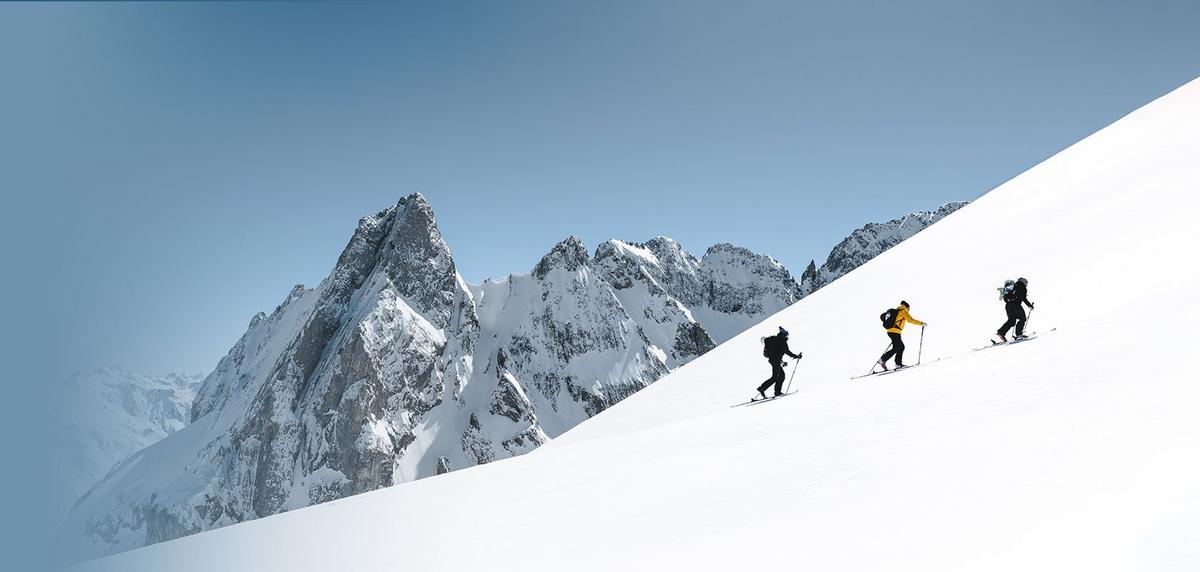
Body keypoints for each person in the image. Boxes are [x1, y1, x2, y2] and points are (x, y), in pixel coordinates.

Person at [878, 301, 925, 371]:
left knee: (899, 347)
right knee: (898, 347)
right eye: (909, 308)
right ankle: (889, 361)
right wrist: (921, 323)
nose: (909, 310)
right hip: (894, 332)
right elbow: (910, 320)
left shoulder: (897, 311)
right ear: (907, 307)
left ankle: (894, 362)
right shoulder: (903, 312)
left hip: (892, 332)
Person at [757, 326, 801, 399]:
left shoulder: (775, 340)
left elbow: (776, 352)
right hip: (776, 361)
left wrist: (781, 361)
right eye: (786, 335)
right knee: (775, 377)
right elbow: (787, 352)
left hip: (774, 360)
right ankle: (763, 388)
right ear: (783, 335)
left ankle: (776, 391)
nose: (787, 337)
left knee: (781, 376)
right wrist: (796, 356)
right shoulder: (782, 341)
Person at [997, 277, 1034, 342]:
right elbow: (1023, 298)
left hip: (1008, 306)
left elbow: (1006, 298)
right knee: (1022, 318)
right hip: (1016, 305)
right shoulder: (1022, 287)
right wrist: (1029, 305)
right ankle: (1019, 334)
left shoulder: (1013, 286)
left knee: (1012, 320)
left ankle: (1001, 332)